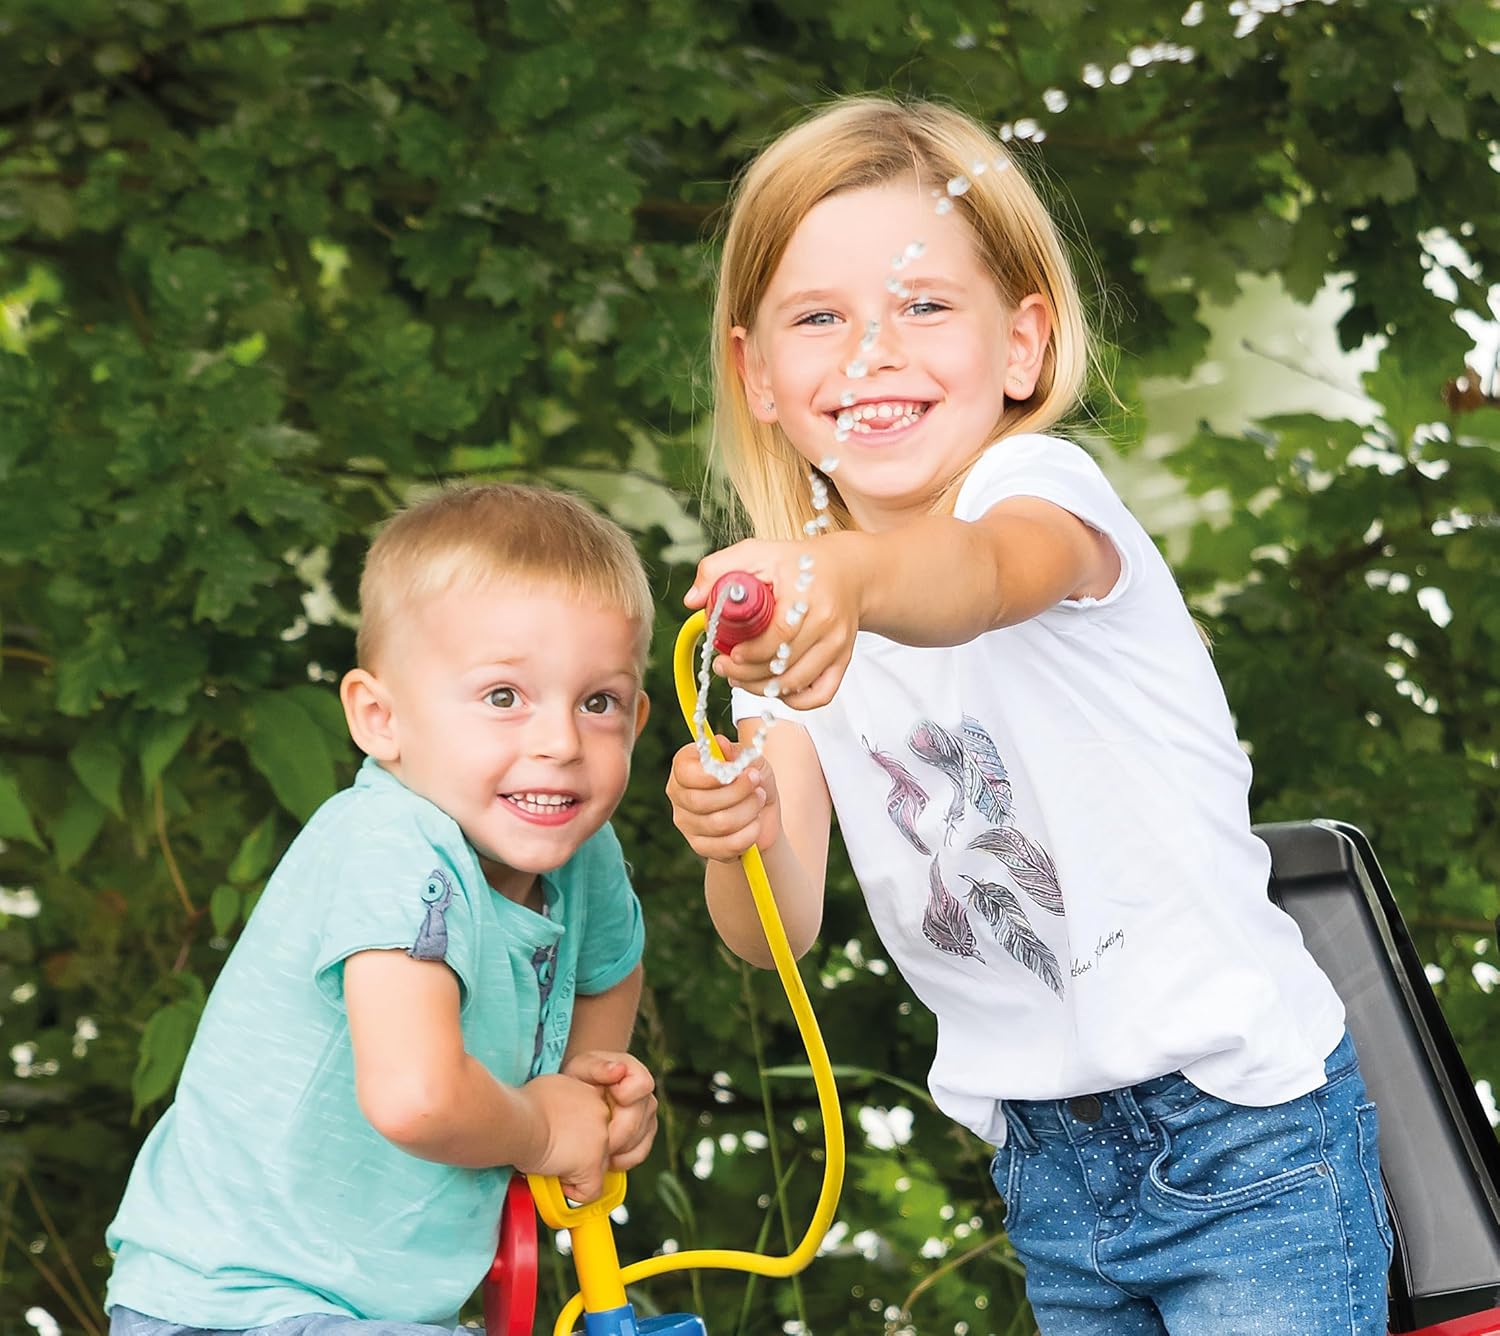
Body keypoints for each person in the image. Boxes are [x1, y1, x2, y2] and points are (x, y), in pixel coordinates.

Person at [667, 95, 1392, 1336]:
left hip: (1242, 1135)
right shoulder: (788, 608)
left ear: (1021, 343)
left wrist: (844, 581)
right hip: (1051, 1165)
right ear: (760, 374)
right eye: (820, 317)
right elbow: (770, 929)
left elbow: (976, 581)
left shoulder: (1039, 493)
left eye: (924, 306)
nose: (870, 353)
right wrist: (729, 828)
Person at [106, 484, 660, 1334]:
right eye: (504, 696)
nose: (560, 744)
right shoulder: (391, 841)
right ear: (380, 718)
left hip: (376, 1311)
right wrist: (544, 1132)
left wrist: (585, 1092)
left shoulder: (581, 854)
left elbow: (609, 968)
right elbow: (417, 1097)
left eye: (598, 703)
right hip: (236, 1303)